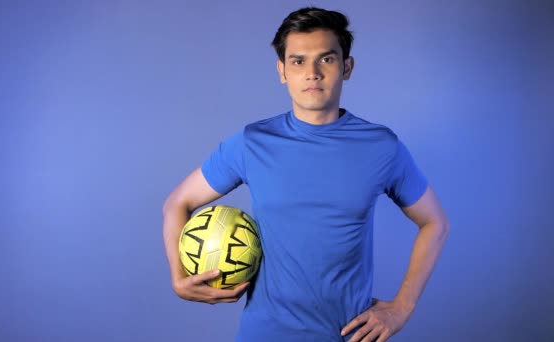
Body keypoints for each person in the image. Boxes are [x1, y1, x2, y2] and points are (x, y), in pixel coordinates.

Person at [163, 7, 449, 342]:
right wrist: (178, 277)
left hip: (348, 335)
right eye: (298, 61)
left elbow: (435, 223)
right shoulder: (252, 143)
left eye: (326, 59)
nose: (312, 72)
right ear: (282, 71)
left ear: (347, 67)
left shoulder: (381, 147)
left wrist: (402, 308)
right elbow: (177, 203)